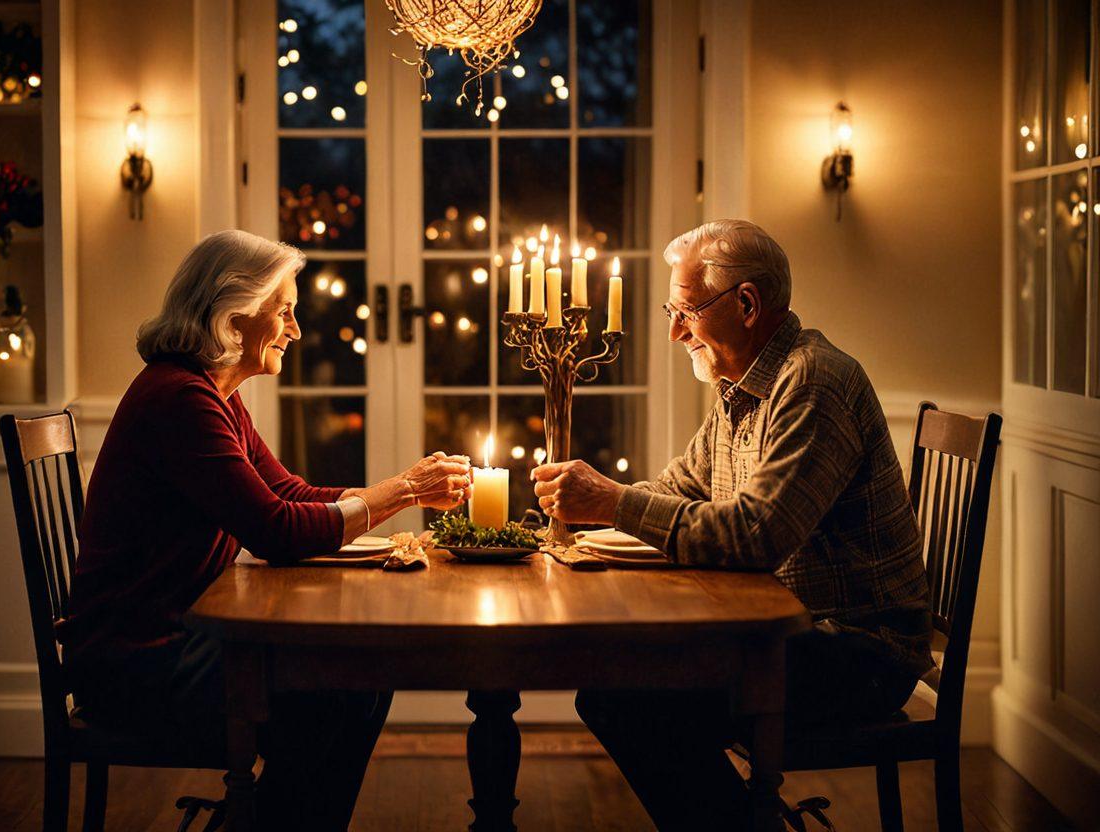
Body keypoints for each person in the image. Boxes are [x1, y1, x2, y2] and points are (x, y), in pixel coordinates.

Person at [59, 229, 473, 830]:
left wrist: (394, 493)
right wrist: (402, 491)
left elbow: (288, 495)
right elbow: (276, 530)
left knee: (356, 677)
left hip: (174, 642)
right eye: (284, 311)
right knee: (340, 686)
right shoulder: (180, 400)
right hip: (136, 666)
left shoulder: (214, 395)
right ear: (234, 313)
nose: (296, 330)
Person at [531, 220, 933, 828]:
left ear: (746, 304)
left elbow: (757, 535)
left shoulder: (814, 380)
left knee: (622, 698)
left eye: (684, 311)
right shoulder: (742, 389)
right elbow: (675, 491)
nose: (672, 331)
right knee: (616, 690)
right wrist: (582, 522)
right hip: (788, 634)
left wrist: (611, 502)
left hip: (859, 654)